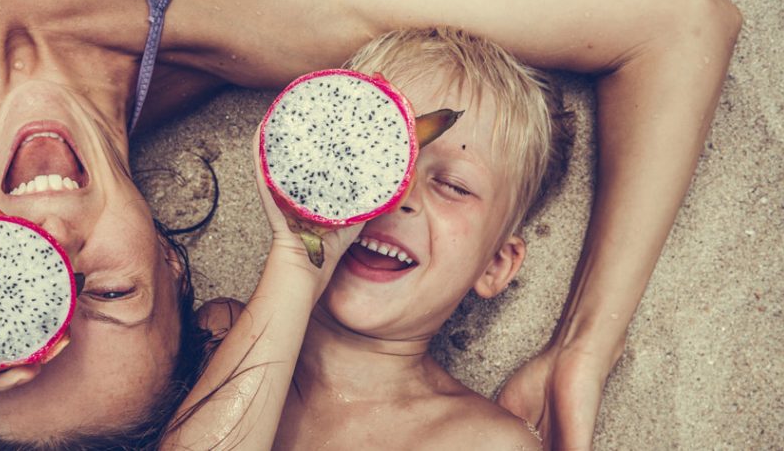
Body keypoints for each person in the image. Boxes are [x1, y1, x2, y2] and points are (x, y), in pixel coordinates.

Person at [0, 0, 741, 448]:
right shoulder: (264, 14)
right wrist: (586, 343)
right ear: (176, 265)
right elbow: (681, 27)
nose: (47, 235)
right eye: (107, 289)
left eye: (13, 298)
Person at [163, 27, 566, 449]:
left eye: (453, 185)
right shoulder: (222, 331)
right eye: (373, 158)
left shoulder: (488, 441)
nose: (397, 194)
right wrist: (298, 260)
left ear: (495, 265)